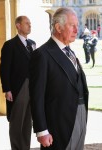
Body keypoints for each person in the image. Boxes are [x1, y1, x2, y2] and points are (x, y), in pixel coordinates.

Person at [29, 7, 89, 150]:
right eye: (72, 25)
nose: (76, 30)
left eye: (77, 25)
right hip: (59, 122)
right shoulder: (42, 55)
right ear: (58, 27)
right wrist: (42, 130)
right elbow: (36, 96)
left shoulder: (71, 52)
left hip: (79, 114)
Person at [0, 16, 36, 150]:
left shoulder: (32, 43)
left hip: (31, 88)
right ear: (18, 26)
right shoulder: (9, 45)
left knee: (27, 122)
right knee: (16, 122)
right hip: (17, 89)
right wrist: (7, 89)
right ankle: (16, 147)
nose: (29, 25)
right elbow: (4, 69)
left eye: (30, 23)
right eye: (26, 23)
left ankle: (25, 147)